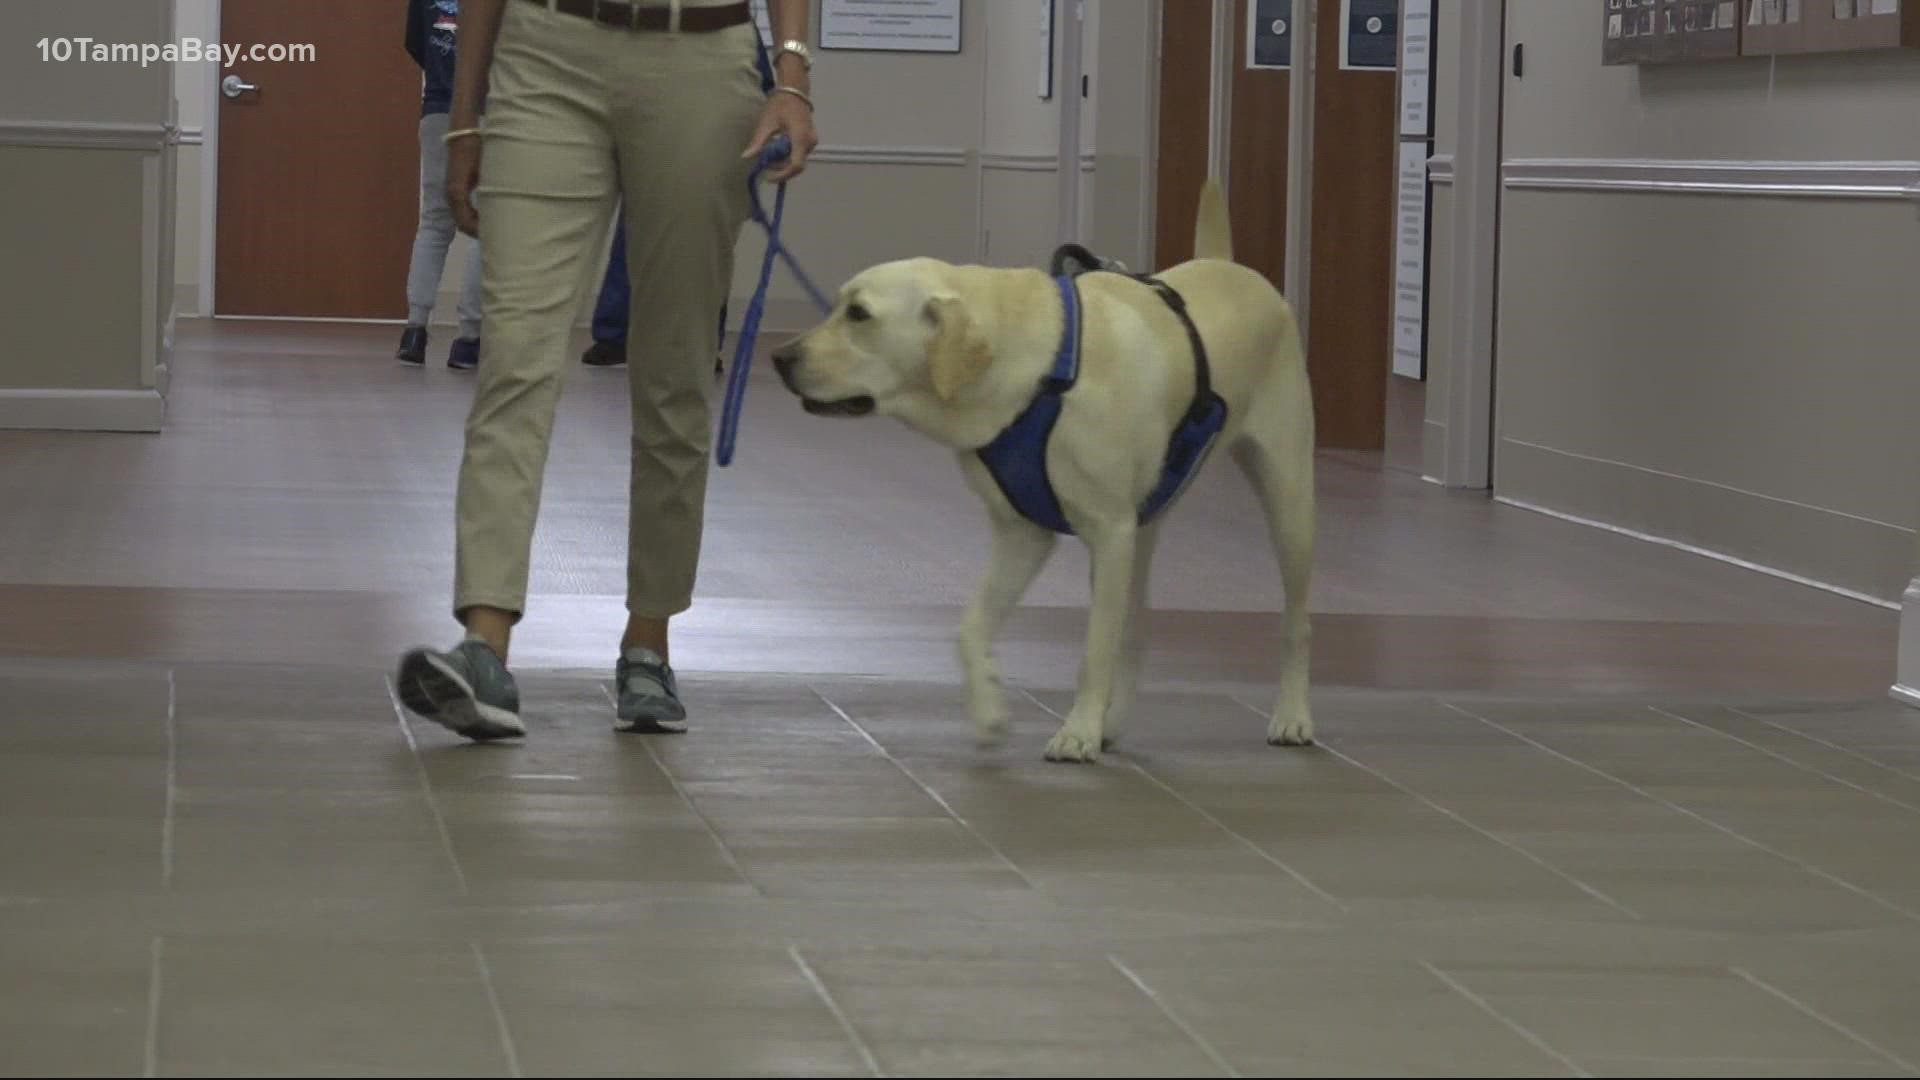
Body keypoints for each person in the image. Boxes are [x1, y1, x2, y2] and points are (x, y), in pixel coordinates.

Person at [394, 0, 818, 741]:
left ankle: (647, 641)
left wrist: (791, 76)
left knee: (675, 370)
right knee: (514, 361)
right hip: (544, 53)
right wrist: (466, 116)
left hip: (701, 55)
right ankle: (484, 649)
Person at [581, 33, 774, 370]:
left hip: (709, 131)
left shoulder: (727, 20)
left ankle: (696, 343)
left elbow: (758, 82)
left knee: (700, 242)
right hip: (651, 123)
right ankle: (618, 335)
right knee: (638, 229)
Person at [398, 0, 484, 370]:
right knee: (487, 223)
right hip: (487, 108)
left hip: (436, 107)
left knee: (435, 220)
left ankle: (415, 330)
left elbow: (415, 42)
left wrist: (442, 75)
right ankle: (469, 338)